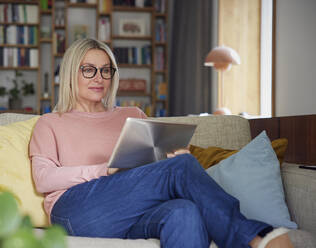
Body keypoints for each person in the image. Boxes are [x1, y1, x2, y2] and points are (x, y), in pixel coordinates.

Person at [29, 38, 293, 248]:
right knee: (180, 167)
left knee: (185, 212)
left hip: (135, 213)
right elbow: (43, 178)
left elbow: (153, 168)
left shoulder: (132, 114)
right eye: (88, 70)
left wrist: (172, 157)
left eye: (105, 70)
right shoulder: (50, 122)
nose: (99, 78)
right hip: (78, 212)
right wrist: (104, 169)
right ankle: (253, 238)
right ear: (70, 73)